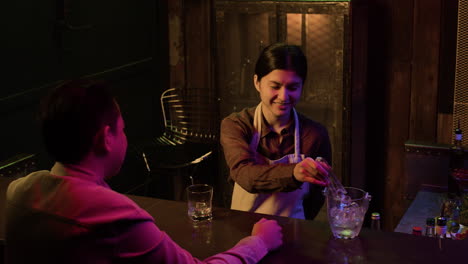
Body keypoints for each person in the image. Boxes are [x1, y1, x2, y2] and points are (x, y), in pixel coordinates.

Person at [5, 79, 283, 264]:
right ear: (105, 138)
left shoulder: (19, 192)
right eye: (122, 129)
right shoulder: (116, 216)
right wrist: (258, 242)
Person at [221, 43, 332, 220]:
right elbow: (244, 175)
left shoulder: (315, 134)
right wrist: (294, 173)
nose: (283, 96)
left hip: (293, 229)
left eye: (293, 88)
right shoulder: (237, 125)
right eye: (275, 86)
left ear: (302, 87)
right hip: (244, 229)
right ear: (257, 82)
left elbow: (317, 195)